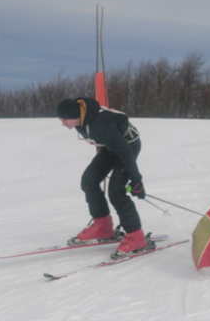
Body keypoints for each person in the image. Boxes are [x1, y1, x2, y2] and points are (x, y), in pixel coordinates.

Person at [56, 97, 152, 259]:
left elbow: (125, 152)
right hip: (109, 148)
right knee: (89, 181)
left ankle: (137, 237)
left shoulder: (100, 125)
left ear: (74, 115)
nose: (63, 123)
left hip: (127, 148)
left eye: (65, 119)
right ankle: (103, 226)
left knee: (116, 191)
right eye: (60, 120)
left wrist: (136, 181)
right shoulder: (81, 121)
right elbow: (100, 140)